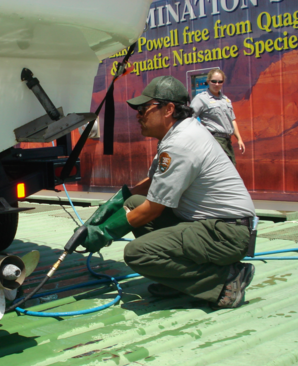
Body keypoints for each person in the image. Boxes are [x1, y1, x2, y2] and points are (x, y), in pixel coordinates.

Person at [82, 75, 256, 309]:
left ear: (169, 109)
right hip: (213, 225)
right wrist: (113, 205)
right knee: (134, 202)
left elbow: (153, 208)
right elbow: (151, 184)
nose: (139, 115)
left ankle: (225, 281)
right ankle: (179, 280)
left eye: (144, 109)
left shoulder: (181, 143)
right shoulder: (178, 134)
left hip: (226, 233)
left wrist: (104, 232)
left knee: (137, 254)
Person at [190, 68, 244, 165]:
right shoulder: (201, 99)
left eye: (220, 82)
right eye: (214, 81)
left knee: (230, 169)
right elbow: (190, 119)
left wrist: (239, 139)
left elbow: (232, 120)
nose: (217, 84)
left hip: (227, 141)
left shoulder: (226, 100)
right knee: (221, 170)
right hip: (214, 140)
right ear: (208, 81)